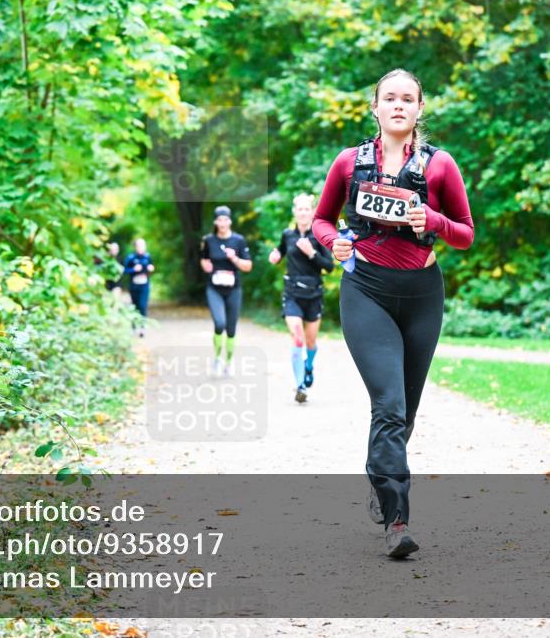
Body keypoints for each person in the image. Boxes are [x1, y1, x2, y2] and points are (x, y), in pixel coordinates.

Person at [312, 69, 474, 558]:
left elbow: (465, 233)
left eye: (408, 99)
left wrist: (436, 220)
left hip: (423, 294)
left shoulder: (440, 165)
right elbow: (322, 219)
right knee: (389, 406)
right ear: (375, 107)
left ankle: (381, 474)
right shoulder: (348, 162)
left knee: (404, 412)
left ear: (419, 109)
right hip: (367, 291)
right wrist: (333, 243)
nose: (399, 105)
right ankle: (397, 522)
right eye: (390, 98)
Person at [269, 194, 334, 404]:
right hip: (292, 293)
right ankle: (300, 385)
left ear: (313, 211)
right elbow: (280, 251)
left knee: (310, 341)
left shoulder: (320, 235)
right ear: (294, 212)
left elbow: (330, 266)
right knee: (297, 338)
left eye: (307, 209)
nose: (303, 212)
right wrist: (275, 256)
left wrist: (312, 253)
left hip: (314, 294)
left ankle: (308, 367)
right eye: (300, 209)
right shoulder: (288, 235)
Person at [200, 206, 253, 375]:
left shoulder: (239, 241)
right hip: (214, 288)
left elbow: (248, 266)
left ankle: (228, 362)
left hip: (233, 289)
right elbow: (204, 259)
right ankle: (217, 358)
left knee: (231, 329)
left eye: (225, 219)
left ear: (230, 221)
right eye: (219, 219)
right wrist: (205, 265)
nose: (222, 223)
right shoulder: (209, 240)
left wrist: (234, 258)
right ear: (215, 222)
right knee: (219, 323)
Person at [123, 238, 154, 337]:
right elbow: (124, 270)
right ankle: (134, 327)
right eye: (139, 246)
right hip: (134, 285)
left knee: (142, 305)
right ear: (135, 247)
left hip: (144, 285)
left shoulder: (148, 256)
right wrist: (133, 269)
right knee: (135, 306)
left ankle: (142, 327)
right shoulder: (131, 257)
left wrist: (151, 268)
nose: (141, 248)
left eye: (143, 245)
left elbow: (151, 267)